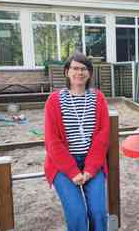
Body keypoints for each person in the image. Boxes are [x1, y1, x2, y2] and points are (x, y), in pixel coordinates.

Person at [44, 52, 110, 231]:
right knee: (77, 214)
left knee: (98, 212)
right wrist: (73, 172)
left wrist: (89, 170)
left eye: (84, 69)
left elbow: (102, 136)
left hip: (92, 164)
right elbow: (52, 141)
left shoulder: (98, 98)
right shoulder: (54, 100)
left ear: (89, 73)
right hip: (62, 165)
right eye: (74, 68)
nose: (79, 72)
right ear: (67, 71)